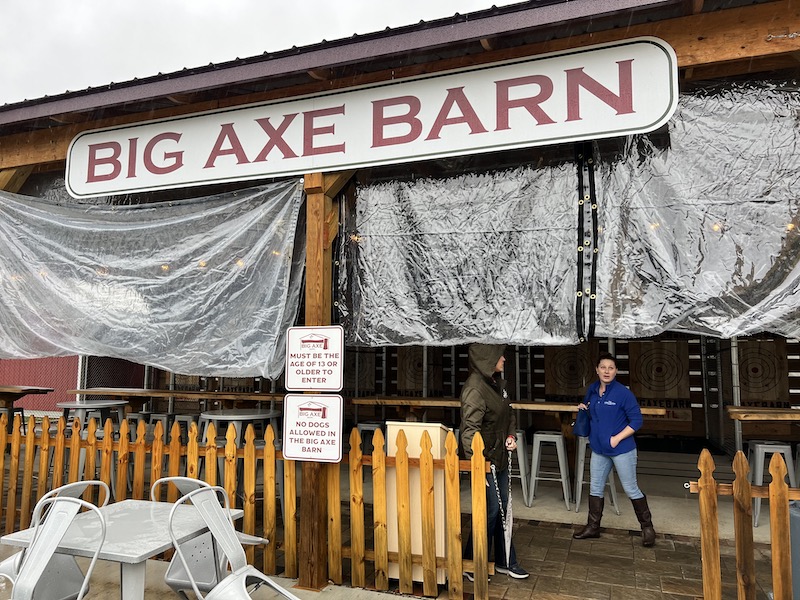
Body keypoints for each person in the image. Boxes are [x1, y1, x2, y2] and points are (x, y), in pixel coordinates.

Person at [460, 343, 529, 579]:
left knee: (503, 509)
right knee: (489, 511)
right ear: (488, 358)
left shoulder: (497, 383)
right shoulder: (475, 389)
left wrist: (511, 435)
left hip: (500, 456)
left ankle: (504, 560)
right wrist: (477, 466)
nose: (504, 359)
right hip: (485, 461)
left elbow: (509, 413)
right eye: (500, 355)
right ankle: (473, 563)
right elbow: (469, 431)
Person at [573, 352, 656, 547]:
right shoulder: (592, 390)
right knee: (595, 487)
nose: (607, 371)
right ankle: (593, 527)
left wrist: (617, 438)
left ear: (616, 371)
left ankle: (648, 528)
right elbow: (592, 413)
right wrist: (583, 409)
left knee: (630, 487)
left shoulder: (623, 393)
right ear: (597, 370)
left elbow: (637, 420)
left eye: (611, 368)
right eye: (603, 367)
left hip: (622, 449)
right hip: (599, 450)